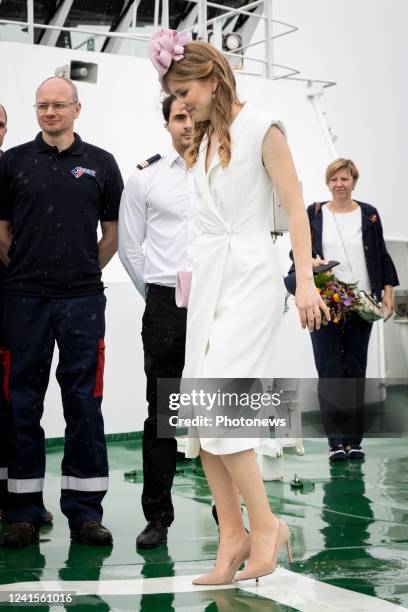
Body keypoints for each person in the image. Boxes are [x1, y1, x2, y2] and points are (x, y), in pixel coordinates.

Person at [148, 29, 329, 585]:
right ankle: (233, 534)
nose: (181, 103)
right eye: (175, 94)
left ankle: (268, 525)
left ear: (212, 77)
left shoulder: (262, 127)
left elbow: (296, 209)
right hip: (209, 279)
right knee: (200, 415)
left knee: (226, 402)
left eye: (185, 90)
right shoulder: (200, 142)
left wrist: (304, 282)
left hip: (250, 276)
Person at [0, 77, 123, 548]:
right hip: (24, 302)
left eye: (59, 105)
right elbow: (2, 229)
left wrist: (83, 272)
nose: (50, 112)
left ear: (77, 108)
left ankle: (86, 514)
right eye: (42, 106)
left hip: (83, 301)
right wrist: (28, 271)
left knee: (84, 406)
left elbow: (111, 234)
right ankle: (24, 513)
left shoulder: (101, 164)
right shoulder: (13, 163)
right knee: (20, 404)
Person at [118, 95, 200, 548]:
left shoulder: (220, 172)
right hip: (166, 300)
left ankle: (228, 512)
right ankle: (158, 517)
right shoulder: (145, 177)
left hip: (215, 299)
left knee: (223, 408)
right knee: (163, 412)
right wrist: (154, 295)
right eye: (178, 117)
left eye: (192, 116)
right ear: (167, 123)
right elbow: (131, 248)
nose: (187, 125)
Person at [286, 158, 399, 461]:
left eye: (345, 179)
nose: (339, 184)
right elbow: (296, 253)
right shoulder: (314, 213)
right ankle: (336, 442)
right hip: (325, 303)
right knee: (330, 372)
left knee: (355, 373)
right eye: (334, 179)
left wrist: (388, 292)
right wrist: (312, 264)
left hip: (361, 305)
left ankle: (354, 441)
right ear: (328, 182)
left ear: (354, 181)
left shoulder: (369, 214)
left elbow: (381, 255)